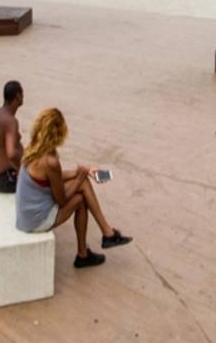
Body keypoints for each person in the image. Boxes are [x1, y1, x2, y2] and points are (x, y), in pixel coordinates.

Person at [16, 108, 131, 268]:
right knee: (81, 197)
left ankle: (103, 236)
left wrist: (82, 172)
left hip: (28, 213)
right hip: (36, 220)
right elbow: (62, 201)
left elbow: (54, 178)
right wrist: (80, 177)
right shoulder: (50, 161)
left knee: (82, 185)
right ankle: (96, 242)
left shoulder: (34, 148)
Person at [0, 81, 25, 193]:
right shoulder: (11, 121)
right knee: (40, 183)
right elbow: (11, 154)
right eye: (22, 93)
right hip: (3, 180)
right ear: (18, 96)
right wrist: (21, 169)